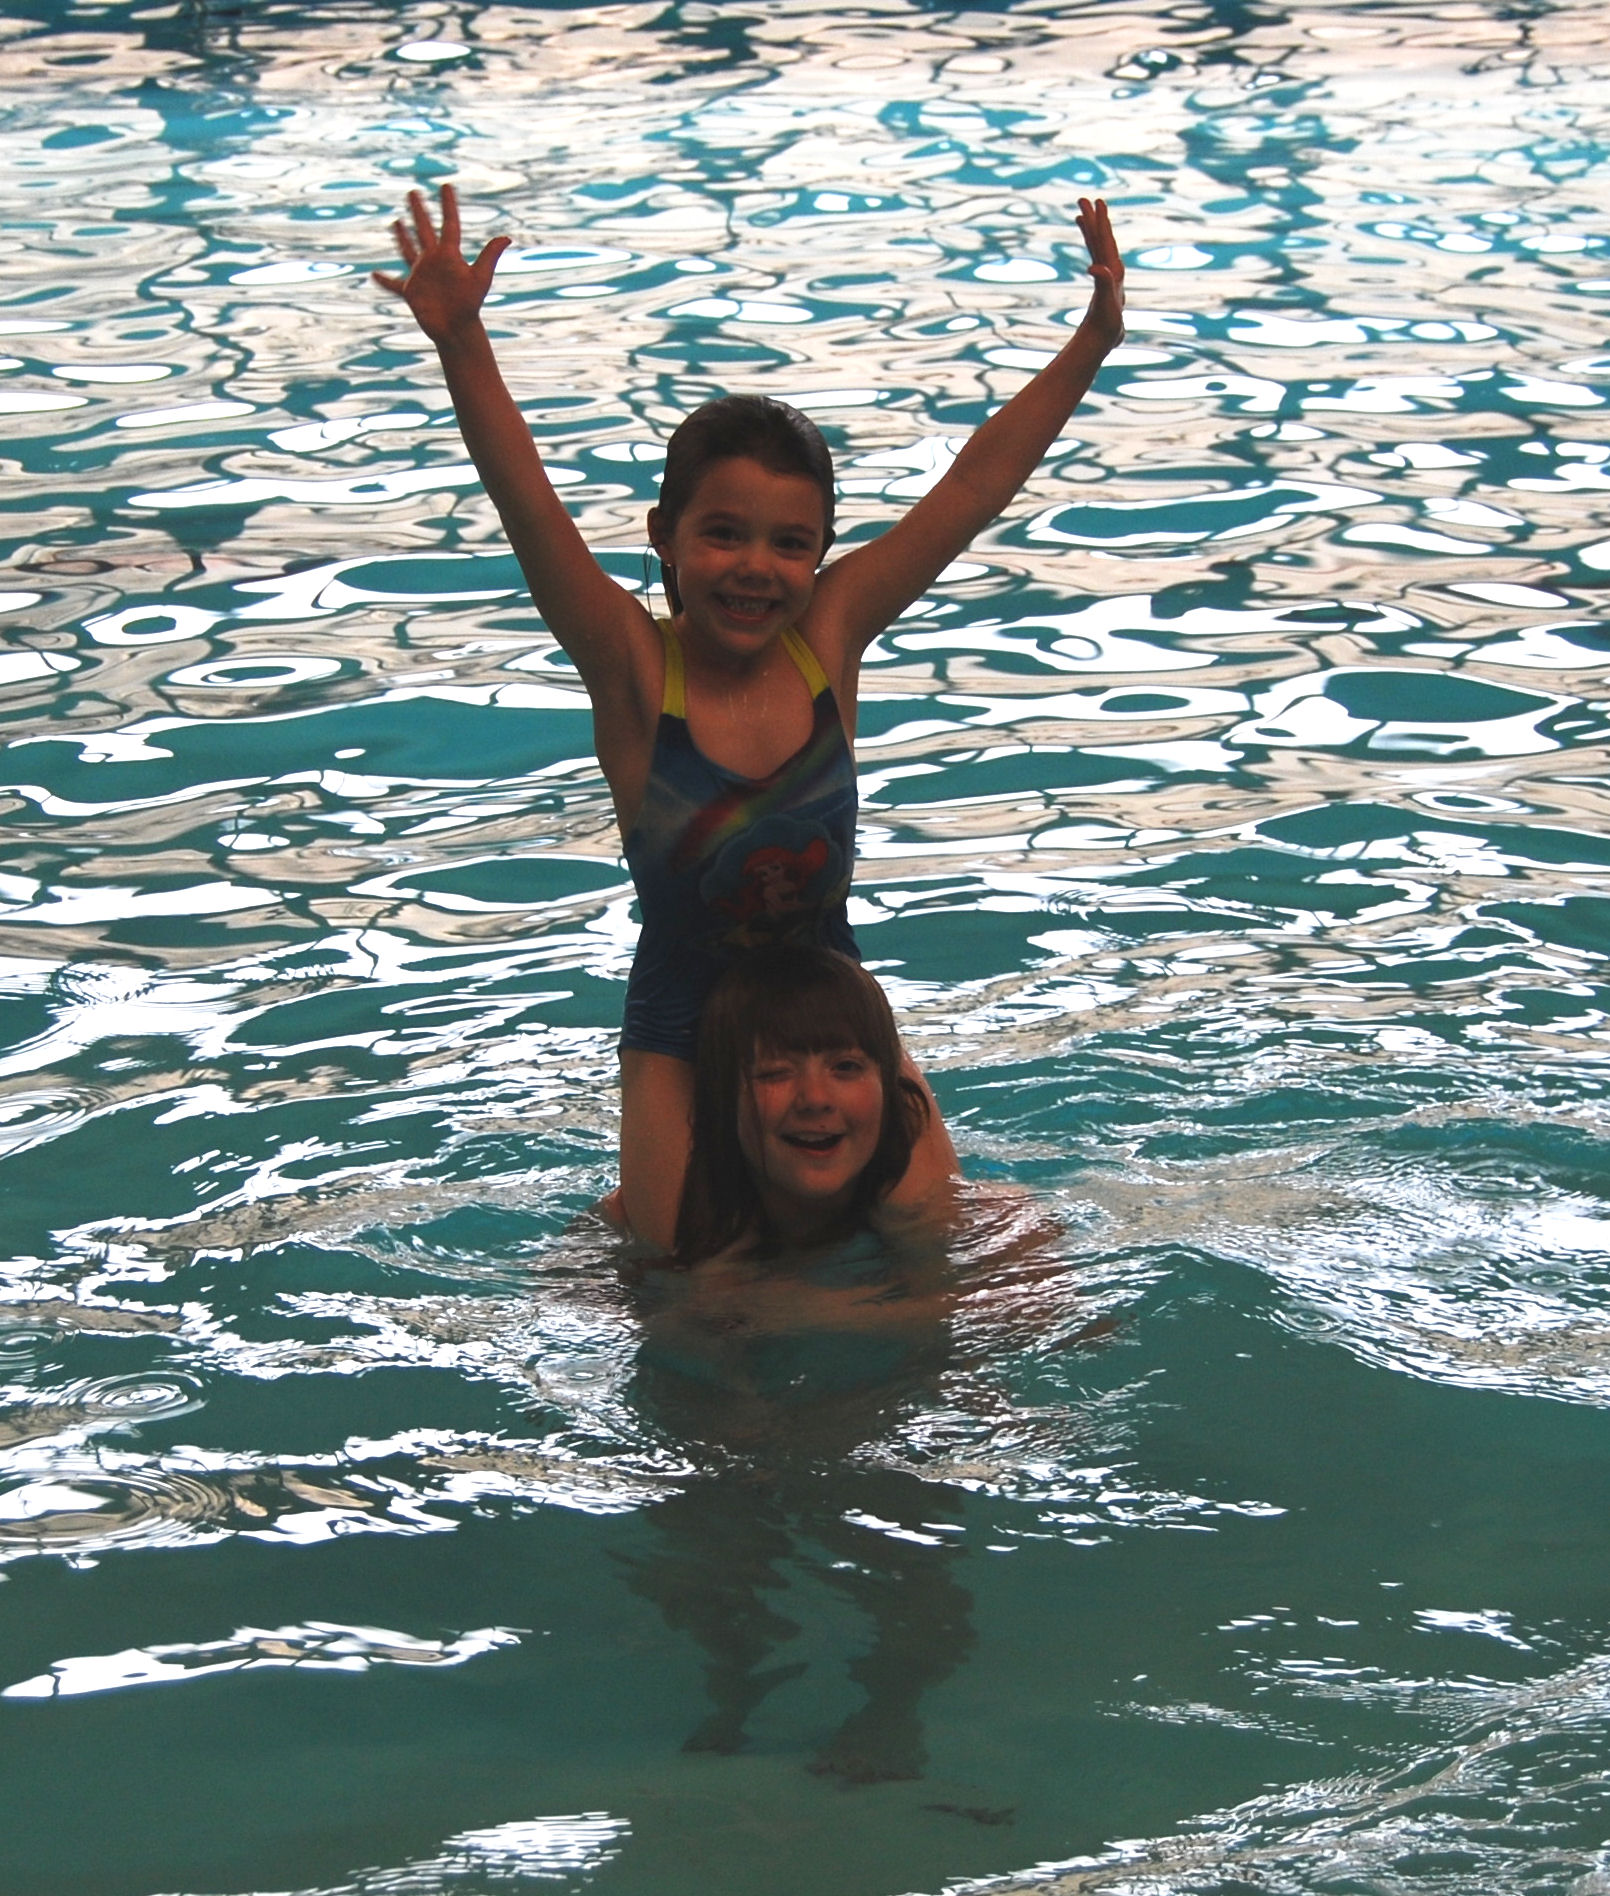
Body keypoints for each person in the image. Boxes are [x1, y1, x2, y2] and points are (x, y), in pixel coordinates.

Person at [374, 183, 1125, 1250]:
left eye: (789, 544)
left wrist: (1092, 341)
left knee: (942, 1240)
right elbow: (528, 504)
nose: (755, 569)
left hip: (828, 1009)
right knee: (683, 1276)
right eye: (722, 534)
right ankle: (618, 1233)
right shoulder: (636, 670)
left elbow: (971, 488)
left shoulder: (830, 636)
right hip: (683, 1032)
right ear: (664, 537)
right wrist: (462, 344)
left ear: (820, 555)